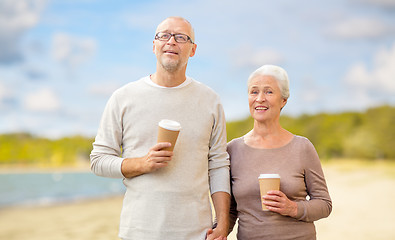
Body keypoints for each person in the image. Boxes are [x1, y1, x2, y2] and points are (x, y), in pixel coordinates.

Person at [90, 16, 230, 240]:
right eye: (164, 35)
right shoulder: (123, 98)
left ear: (193, 49)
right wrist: (142, 163)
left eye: (181, 37)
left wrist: (223, 223)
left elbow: (219, 165)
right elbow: (98, 161)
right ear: (153, 45)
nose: (171, 41)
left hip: (198, 233)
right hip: (138, 231)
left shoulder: (211, 101)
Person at [227, 65, 332, 240]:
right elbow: (230, 209)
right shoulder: (232, 149)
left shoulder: (302, 147)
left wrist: (293, 208)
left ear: (283, 100)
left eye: (268, 92)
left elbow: (325, 204)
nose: (260, 99)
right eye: (254, 92)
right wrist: (218, 231)